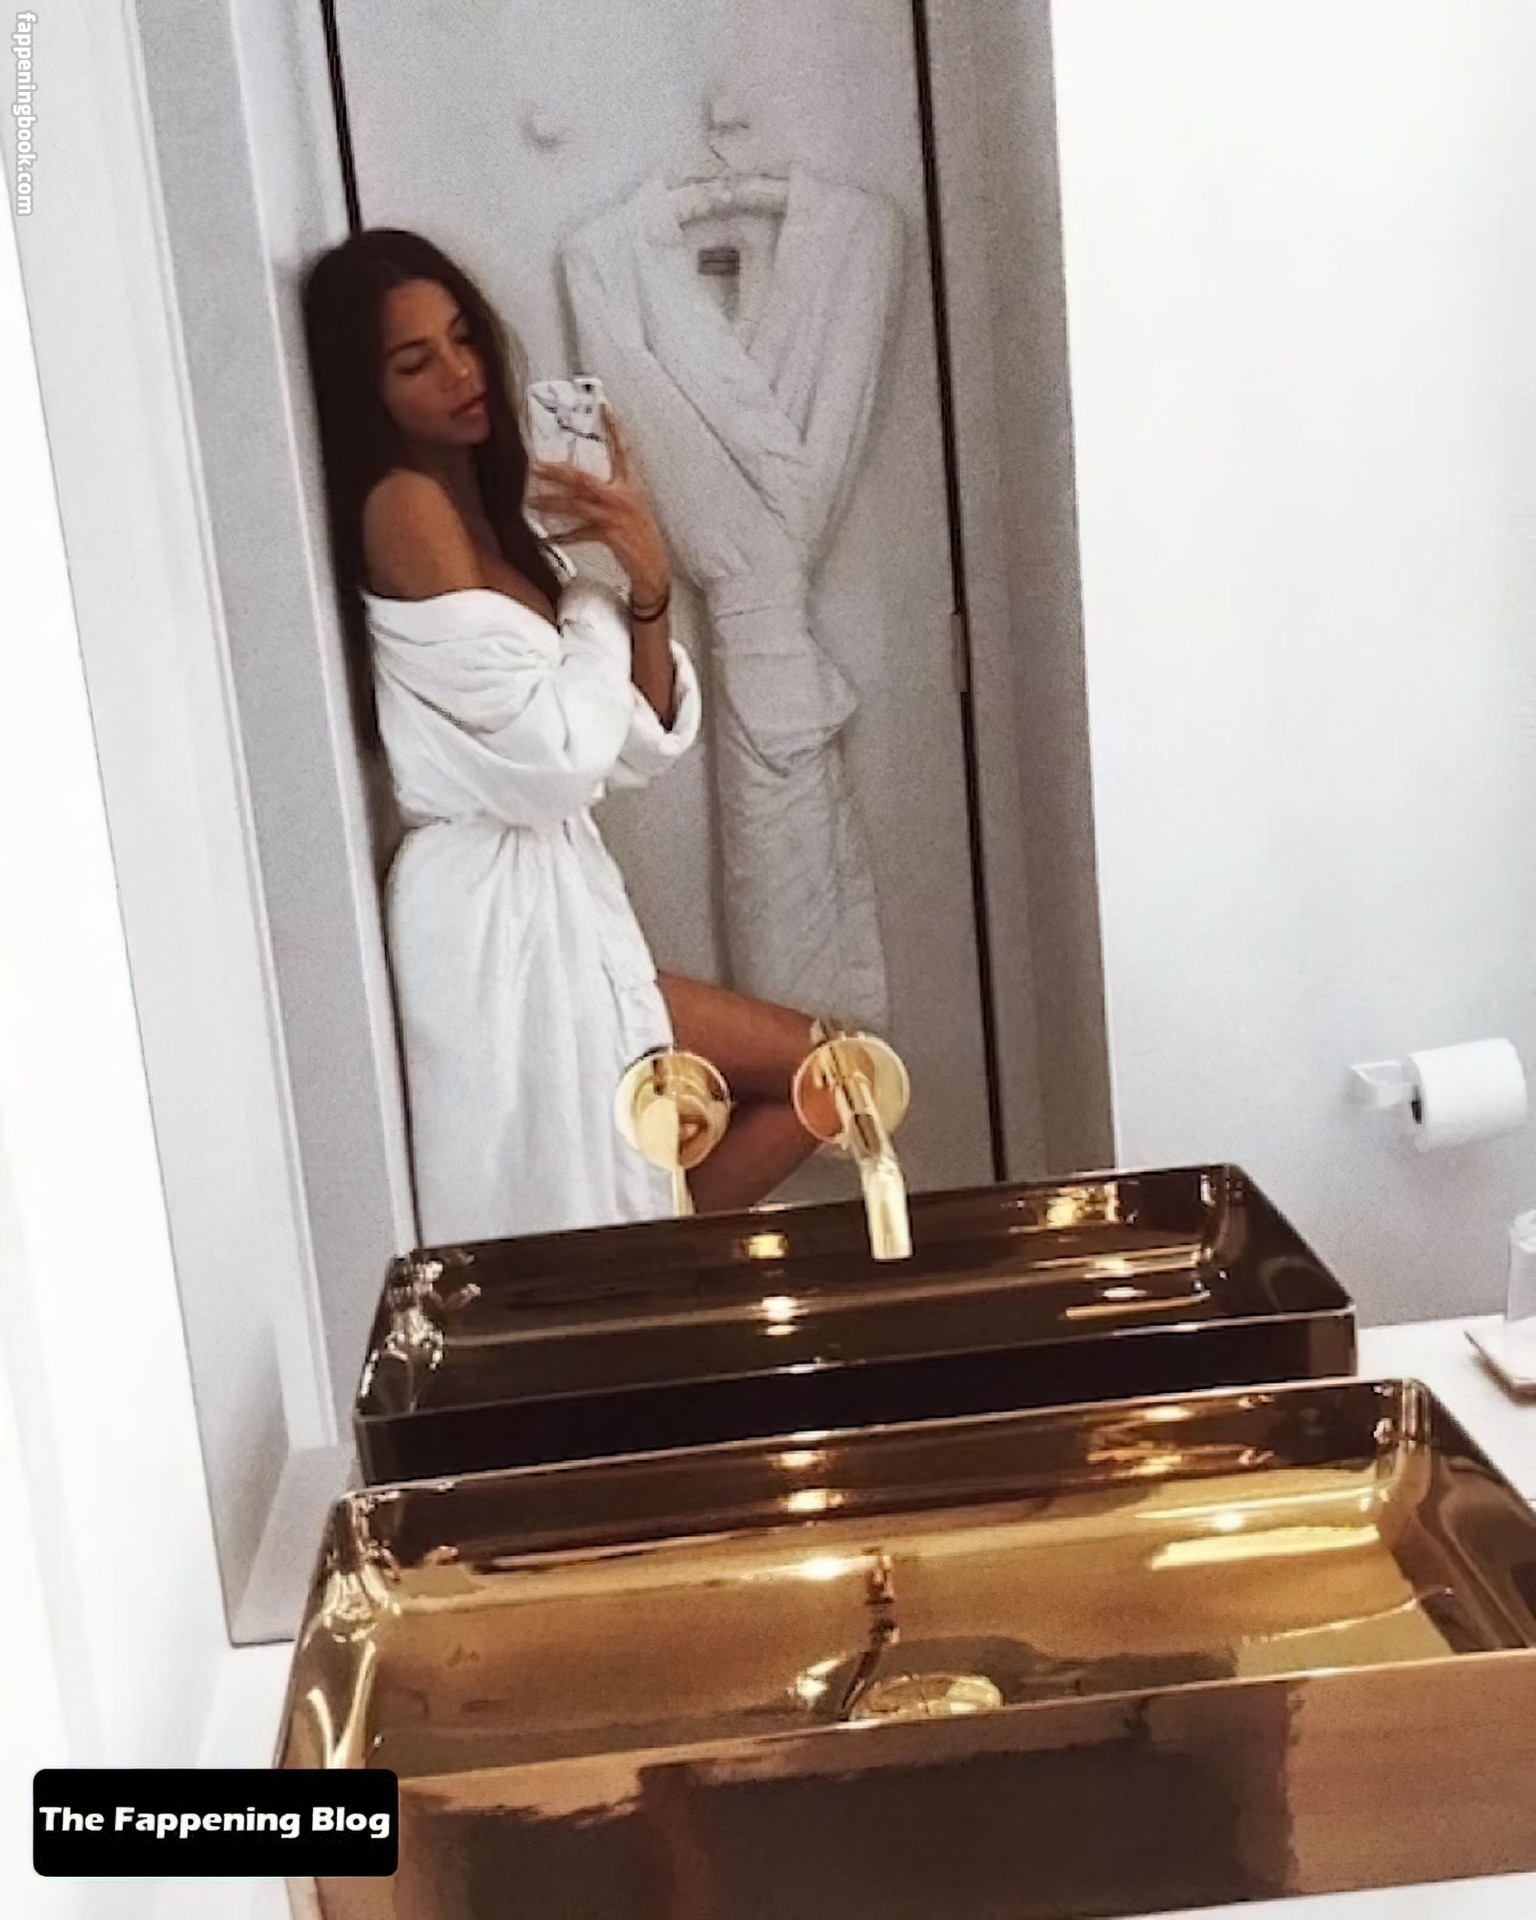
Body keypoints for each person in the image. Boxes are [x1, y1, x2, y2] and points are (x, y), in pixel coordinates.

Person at [300, 228, 826, 1245]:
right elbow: (559, 758)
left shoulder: (500, 525)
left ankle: (649, 1288)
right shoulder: (403, 508)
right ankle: (638, 1292)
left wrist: (646, 579)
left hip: (555, 896)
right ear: (368, 393)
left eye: (462, 338)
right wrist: (592, 604)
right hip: (493, 918)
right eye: (415, 361)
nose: (460, 373)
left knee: (804, 1087)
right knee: (593, 1192)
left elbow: (635, 740)